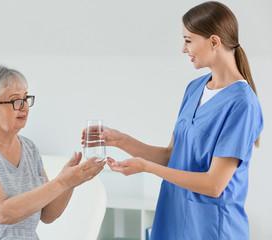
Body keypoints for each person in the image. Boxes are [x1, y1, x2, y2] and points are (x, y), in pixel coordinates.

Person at [82, 1, 263, 239]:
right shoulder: (194, 88)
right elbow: (172, 157)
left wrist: (146, 168)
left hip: (211, 229)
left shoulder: (242, 103)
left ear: (214, 41)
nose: (183, 48)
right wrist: (120, 140)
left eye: (188, 40)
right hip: (173, 220)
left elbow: (214, 184)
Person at [0, 65, 106, 239]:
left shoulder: (29, 149)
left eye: (25, 98)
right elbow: (1, 213)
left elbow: (48, 214)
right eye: (15, 101)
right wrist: (62, 182)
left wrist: (70, 182)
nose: (24, 107)